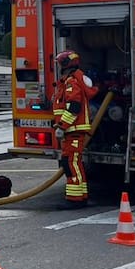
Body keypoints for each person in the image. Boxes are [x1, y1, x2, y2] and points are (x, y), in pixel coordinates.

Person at [52, 49, 98, 208]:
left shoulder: (71, 82)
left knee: (71, 163)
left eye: (59, 64)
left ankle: (75, 200)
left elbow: (74, 106)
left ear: (65, 65)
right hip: (72, 129)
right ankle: (80, 196)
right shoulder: (68, 81)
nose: (58, 67)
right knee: (73, 163)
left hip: (73, 129)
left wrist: (62, 126)